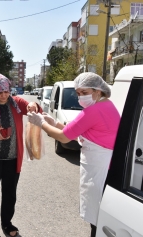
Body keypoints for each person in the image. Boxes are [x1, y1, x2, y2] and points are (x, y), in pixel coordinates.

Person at [27, 72, 120, 237]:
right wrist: (54, 123)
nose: (80, 97)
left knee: (97, 219)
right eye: (78, 94)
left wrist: (41, 123)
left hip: (99, 168)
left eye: (84, 93)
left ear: (98, 91)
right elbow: (75, 130)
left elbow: (64, 137)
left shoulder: (94, 110)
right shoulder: (107, 105)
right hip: (105, 165)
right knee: (99, 216)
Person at [0, 73, 41, 237]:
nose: (4, 95)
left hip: (12, 159)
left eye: (6, 91)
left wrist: (34, 104)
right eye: (0, 92)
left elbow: (35, 109)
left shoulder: (17, 103)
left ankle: (7, 223)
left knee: (10, 193)